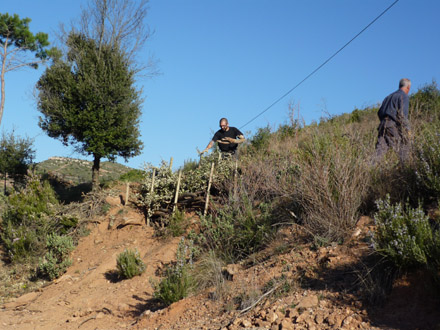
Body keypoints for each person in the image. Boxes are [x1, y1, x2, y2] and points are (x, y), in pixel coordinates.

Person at [376, 78, 411, 159]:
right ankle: (404, 169)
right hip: (392, 126)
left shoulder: (388, 97)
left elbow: (379, 112)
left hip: (382, 125)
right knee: (402, 148)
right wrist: (407, 130)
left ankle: (369, 170)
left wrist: (384, 121)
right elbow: (402, 116)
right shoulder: (404, 96)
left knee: (379, 151)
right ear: (408, 87)